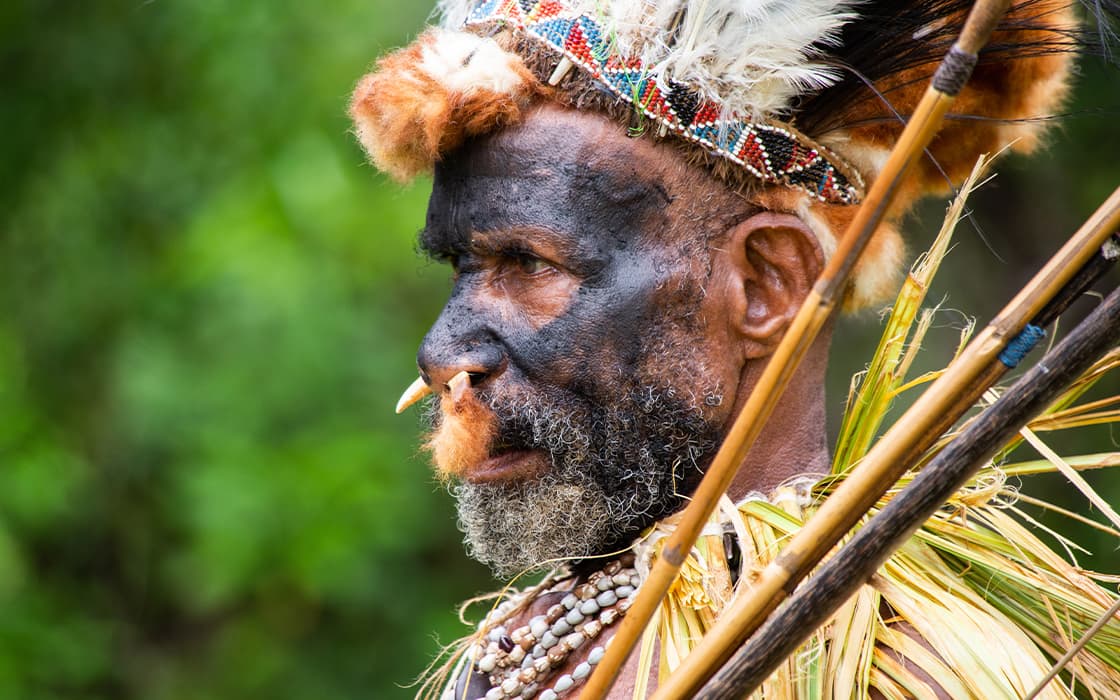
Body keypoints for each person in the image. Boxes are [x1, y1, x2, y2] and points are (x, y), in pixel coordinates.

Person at [350, 1, 1120, 697]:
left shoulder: (898, 671)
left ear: (765, 285)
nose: (442, 350)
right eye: (460, 265)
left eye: (529, 264)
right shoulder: (526, 654)